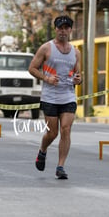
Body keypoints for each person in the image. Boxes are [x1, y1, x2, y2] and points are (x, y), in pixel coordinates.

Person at [28, 15, 82, 179]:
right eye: (60, 28)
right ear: (56, 29)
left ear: (71, 30)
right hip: (50, 97)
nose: (63, 31)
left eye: (66, 28)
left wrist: (79, 79)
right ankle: (42, 151)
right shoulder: (46, 48)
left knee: (66, 130)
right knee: (52, 133)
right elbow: (32, 68)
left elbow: (78, 74)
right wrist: (47, 78)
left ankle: (60, 166)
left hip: (68, 96)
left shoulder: (76, 52)